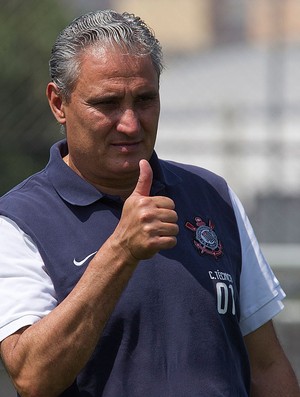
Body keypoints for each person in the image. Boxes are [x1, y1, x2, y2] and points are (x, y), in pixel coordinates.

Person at [0, 9, 299, 397]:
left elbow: (268, 365)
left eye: (144, 99)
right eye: (107, 103)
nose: (130, 123)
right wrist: (120, 251)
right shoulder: (19, 221)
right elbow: (33, 378)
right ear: (59, 103)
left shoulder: (213, 196)